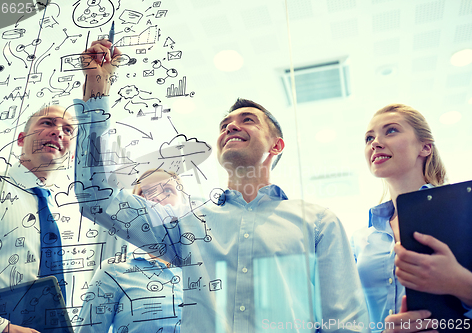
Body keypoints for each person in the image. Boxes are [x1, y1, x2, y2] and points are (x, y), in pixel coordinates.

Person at [74, 39, 369, 332]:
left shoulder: (318, 223)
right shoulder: (188, 223)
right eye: (224, 124)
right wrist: (96, 94)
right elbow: (97, 197)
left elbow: (345, 324)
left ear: (276, 145)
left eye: (248, 120)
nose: (230, 126)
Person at [351, 103, 472, 333]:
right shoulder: (360, 239)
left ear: (425, 147)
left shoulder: (465, 213)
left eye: (391, 130)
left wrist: (459, 282)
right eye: (368, 138)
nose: (374, 143)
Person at [0, 105, 76, 333]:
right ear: (21, 139)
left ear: (72, 156)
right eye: (47, 123)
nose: (58, 132)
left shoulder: (62, 221)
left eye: (68, 130)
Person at [76, 169, 183, 333]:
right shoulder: (112, 272)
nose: (156, 197)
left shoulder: (211, 268)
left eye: (168, 190)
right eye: (145, 192)